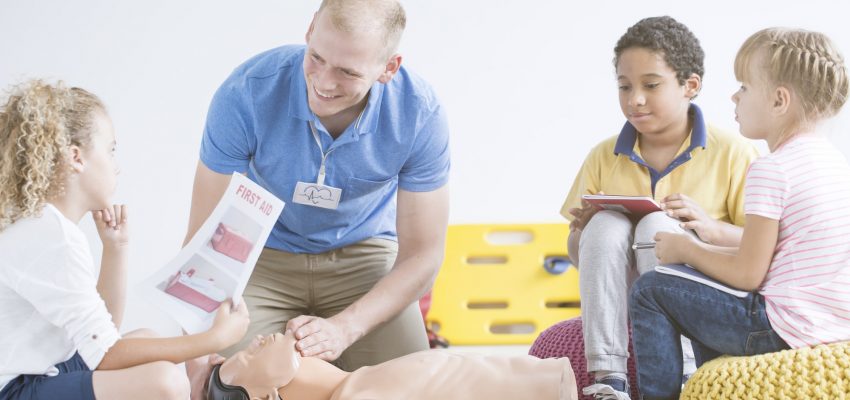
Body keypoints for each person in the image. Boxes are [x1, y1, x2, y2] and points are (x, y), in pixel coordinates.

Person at [184, 0, 450, 397]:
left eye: (347, 71)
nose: (324, 82)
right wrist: (196, 347)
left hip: (364, 258)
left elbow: (423, 256)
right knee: (226, 386)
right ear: (309, 31)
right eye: (317, 58)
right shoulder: (247, 91)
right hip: (261, 256)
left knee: (414, 387)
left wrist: (346, 328)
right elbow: (204, 233)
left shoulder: (420, 114)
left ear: (388, 68)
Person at [628, 27, 850, 399]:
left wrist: (686, 251)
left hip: (782, 329)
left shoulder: (772, 169)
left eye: (744, 87)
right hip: (832, 325)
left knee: (652, 289)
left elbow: (748, 274)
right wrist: (713, 235)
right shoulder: (833, 163)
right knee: (700, 286)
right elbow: (782, 250)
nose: (734, 95)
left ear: (780, 101)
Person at [0, 80, 250, 400]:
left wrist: (115, 249)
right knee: (165, 383)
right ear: (76, 157)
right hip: (12, 389)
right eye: (110, 149)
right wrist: (214, 339)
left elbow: (103, 338)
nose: (116, 166)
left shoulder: (48, 226)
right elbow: (106, 356)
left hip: (40, 370)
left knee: (148, 340)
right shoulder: (54, 237)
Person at [560, 16, 759, 399]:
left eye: (651, 85)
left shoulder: (734, 152)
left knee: (657, 226)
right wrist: (582, 233)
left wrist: (704, 226)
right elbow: (578, 256)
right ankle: (608, 378)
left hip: (701, 297)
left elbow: (758, 245)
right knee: (603, 226)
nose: (635, 99)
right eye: (624, 86)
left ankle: (684, 372)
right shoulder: (603, 155)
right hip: (625, 295)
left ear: (690, 86)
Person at [206, 330, 579, 400]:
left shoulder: (359, 385)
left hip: (564, 370)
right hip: (577, 386)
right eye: (248, 356)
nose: (254, 341)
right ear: (267, 398)